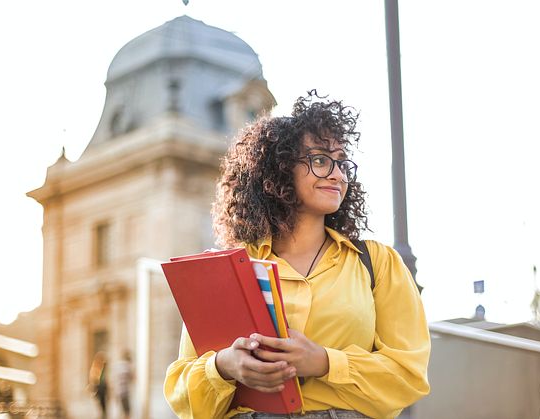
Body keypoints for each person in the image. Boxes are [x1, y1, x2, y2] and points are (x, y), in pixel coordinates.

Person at [164, 91, 430, 418]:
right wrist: (224, 366)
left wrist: (324, 362)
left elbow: (409, 375)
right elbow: (182, 394)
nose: (337, 174)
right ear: (279, 170)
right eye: (320, 160)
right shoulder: (231, 269)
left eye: (342, 162)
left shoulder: (377, 263)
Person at [114, 350, 134, 418]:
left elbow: (115, 380)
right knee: (127, 411)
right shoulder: (127, 366)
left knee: (120, 411)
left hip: (118, 391)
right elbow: (132, 377)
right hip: (125, 392)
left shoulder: (118, 365)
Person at [89, 351, 108, 419]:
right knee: (100, 402)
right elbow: (94, 378)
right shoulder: (95, 367)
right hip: (99, 387)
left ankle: (103, 414)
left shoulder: (103, 367)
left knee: (103, 402)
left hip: (103, 387)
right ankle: (101, 414)